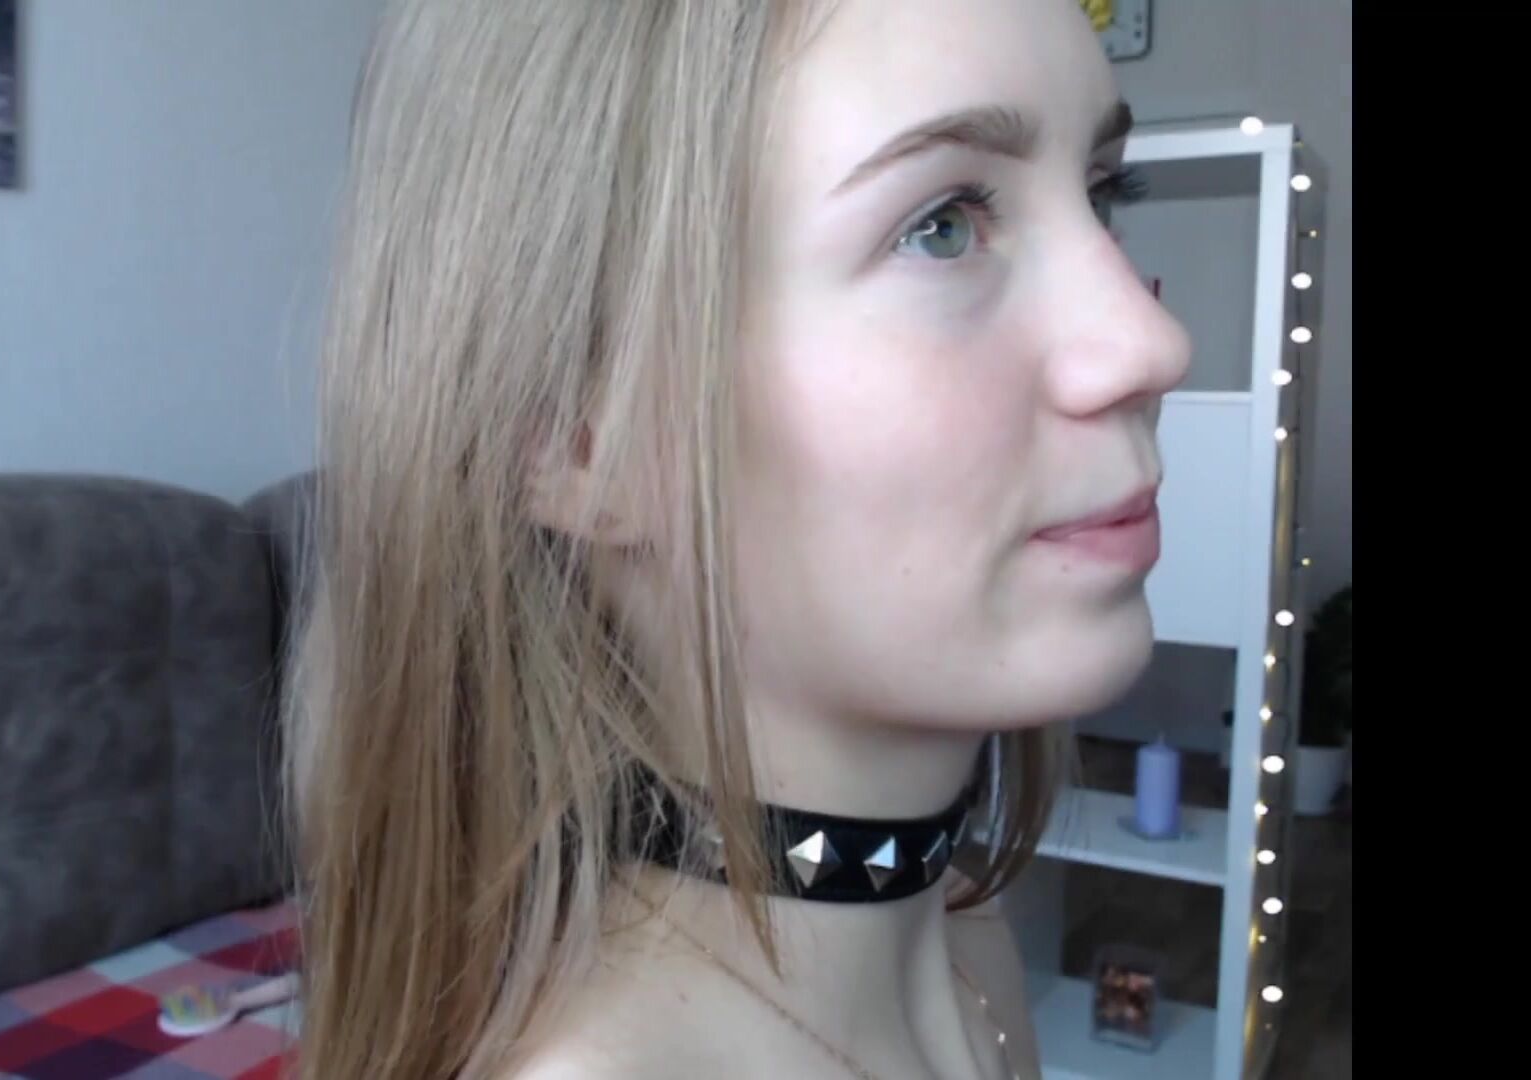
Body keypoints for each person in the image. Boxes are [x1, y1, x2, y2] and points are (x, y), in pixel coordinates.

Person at [285, 0, 1190, 1077]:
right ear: (574, 440)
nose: (1151, 342)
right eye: (941, 224)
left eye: (1104, 193)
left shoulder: (967, 943)